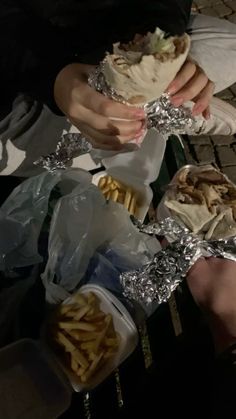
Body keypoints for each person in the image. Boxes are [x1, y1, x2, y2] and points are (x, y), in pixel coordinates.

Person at [1, 1, 236, 175]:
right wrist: (53, 76)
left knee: (230, 43)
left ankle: (162, 104)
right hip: (23, 77)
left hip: (106, 37)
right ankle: (161, 114)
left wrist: (160, 48)